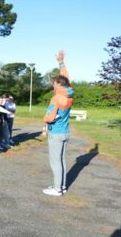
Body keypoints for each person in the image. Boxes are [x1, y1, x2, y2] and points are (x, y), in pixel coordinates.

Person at [42, 51, 74, 196]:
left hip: (56, 133)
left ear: (58, 85)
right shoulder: (69, 93)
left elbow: (50, 118)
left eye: (54, 83)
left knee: (55, 162)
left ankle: (57, 189)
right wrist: (61, 62)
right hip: (65, 132)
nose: (53, 85)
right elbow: (66, 78)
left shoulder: (56, 99)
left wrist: (45, 119)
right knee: (62, 160)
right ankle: (62, 185)